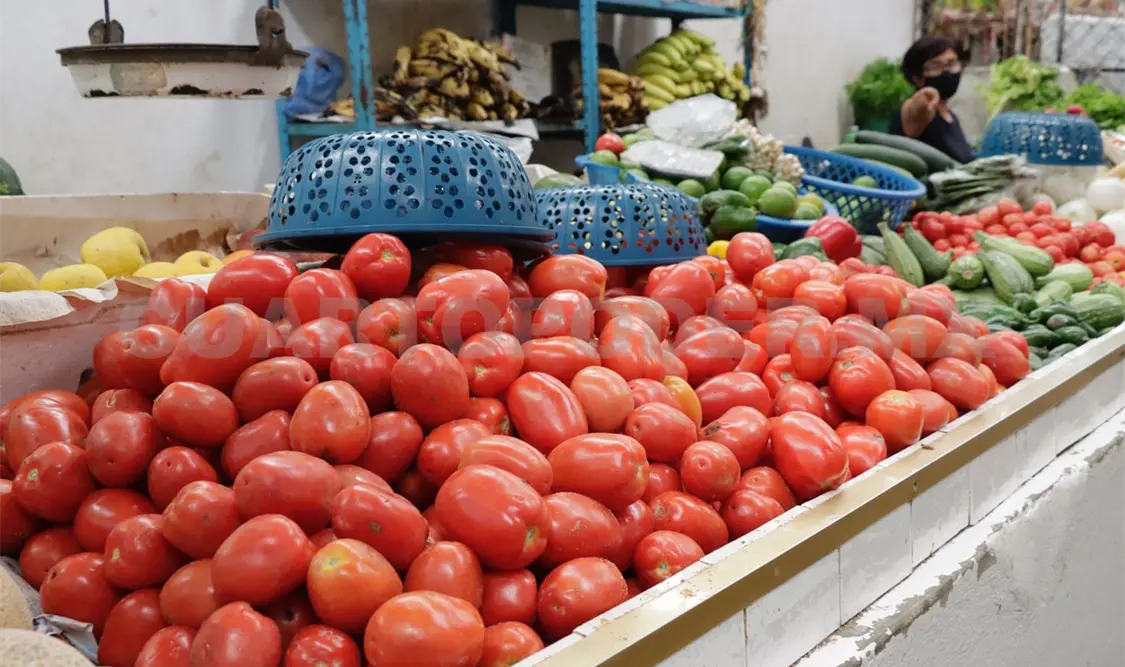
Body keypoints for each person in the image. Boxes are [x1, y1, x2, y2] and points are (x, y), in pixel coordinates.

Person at [890, 36, 975, 163]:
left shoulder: (951, 117)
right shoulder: (922, 111)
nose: (947, 72)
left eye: (951, 64)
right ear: (917, 78)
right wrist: (923, 98)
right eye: (935, 66)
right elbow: (913, 113)